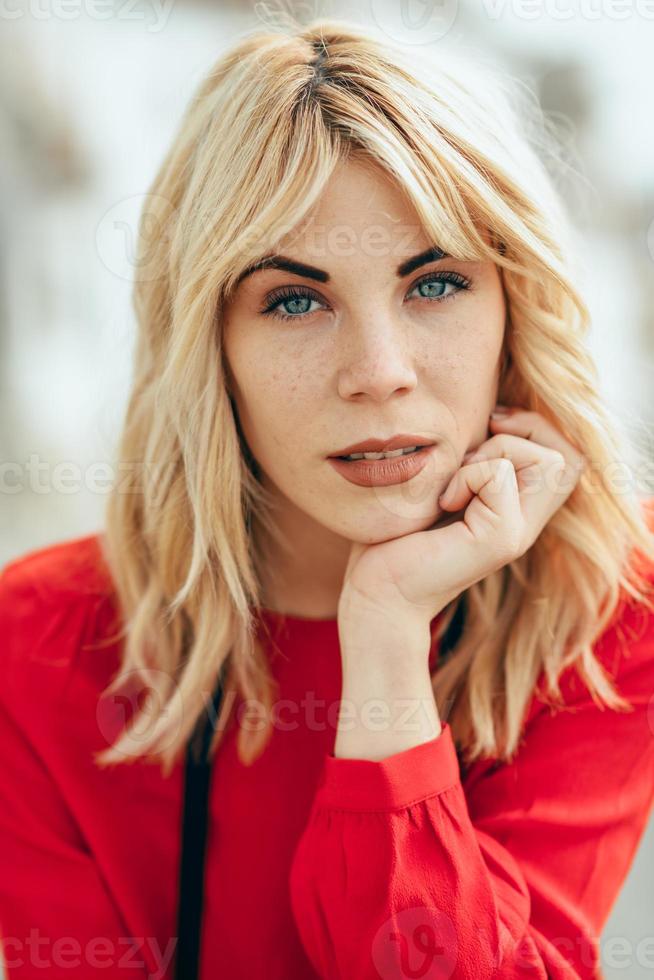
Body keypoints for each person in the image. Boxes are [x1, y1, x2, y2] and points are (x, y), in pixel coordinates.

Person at [1, 18, 653, 980]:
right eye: (295, 301)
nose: (379, 374)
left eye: (435, 282)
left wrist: (386, 633)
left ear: (514, 307)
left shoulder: (604, 607)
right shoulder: (36, 647)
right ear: (208, 346)